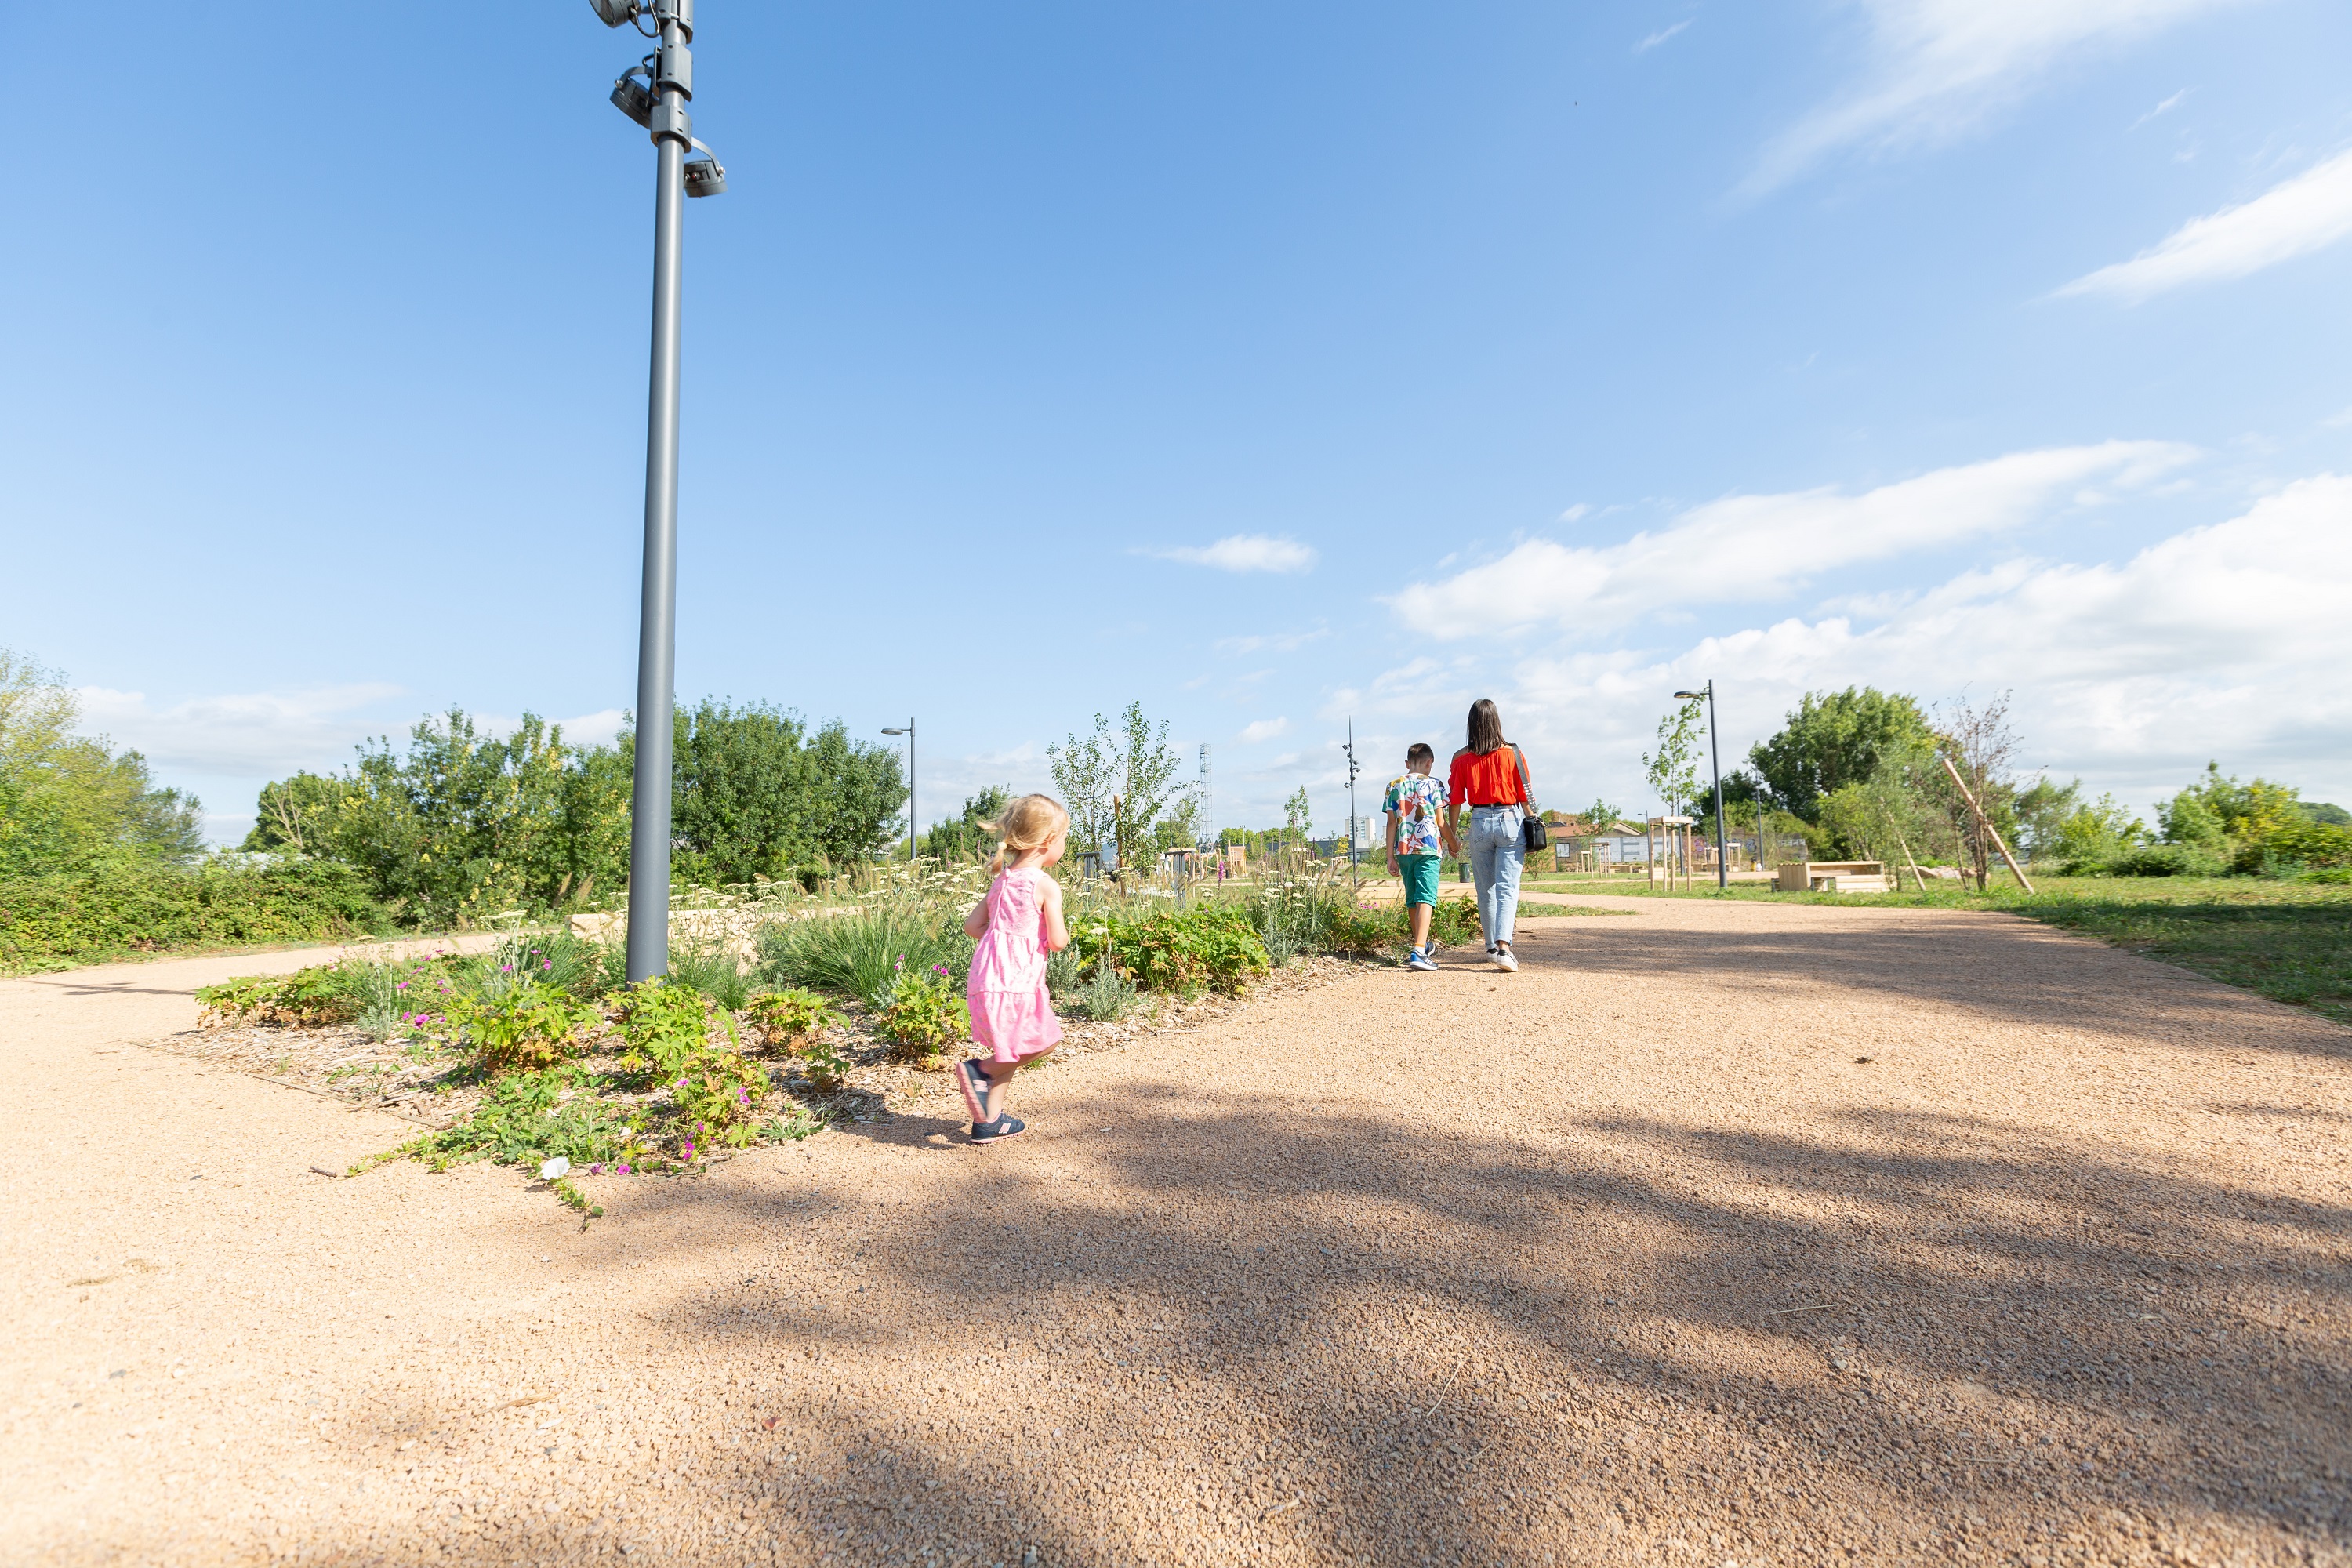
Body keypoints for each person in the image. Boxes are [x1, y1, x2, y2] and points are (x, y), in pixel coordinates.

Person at [956, 793, 1072, 1145]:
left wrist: (1000, 943)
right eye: (1064, 839)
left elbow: (972, 927)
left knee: (1009, 1046)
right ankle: (982, 1070)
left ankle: (989, 1121)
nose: (1064, 845)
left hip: (985, 979)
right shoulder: (1044, 885)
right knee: (1047, 1040)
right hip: (1017, 982)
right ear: (1048, 841)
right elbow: (1058, 941)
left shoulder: (1002, 881)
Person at [1446, 699, 1536, 972]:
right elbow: (1525, 794)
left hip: (1479, 821)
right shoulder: (1513, 753)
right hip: (1510, 819)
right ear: (1496, 721)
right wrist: (1532, 820)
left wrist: (1451, 835)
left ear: (1472, 724)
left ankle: (1490, 947)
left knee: (1485, 888)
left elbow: (1455, 800)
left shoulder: (1460, 757)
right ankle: (1504, 948)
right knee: (1507, 888)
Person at [1384, 742, 1457, 972]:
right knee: (1426, 897)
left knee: (1413, 898)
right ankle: (1418, 950)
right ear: (1430, 763)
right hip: (1427, 849)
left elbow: (1391, 823)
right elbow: (1441, 822)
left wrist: (1390, 857)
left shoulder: (1393, 785)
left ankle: (1422, 945)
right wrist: (1454, 844)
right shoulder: (1435, 784)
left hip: (1403, 850)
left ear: (1407, 764)